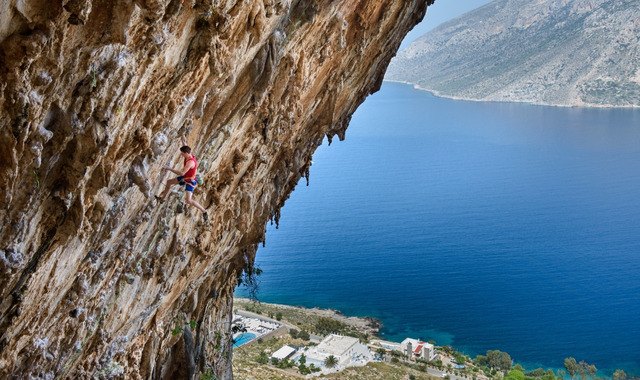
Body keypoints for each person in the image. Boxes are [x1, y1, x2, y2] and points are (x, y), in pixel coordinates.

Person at [156, 145, 208, 222]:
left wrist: (169, 169)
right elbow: (185, 144)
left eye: (182, 153)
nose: (181, 155)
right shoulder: (190, 155)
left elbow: (182, 173)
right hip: (185, 178)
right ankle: (162, 199)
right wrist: (183, 138)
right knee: (169, 182)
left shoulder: (190, 162)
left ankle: (204, 211)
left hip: (190, 181)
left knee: (188, 200)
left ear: (186, 153)